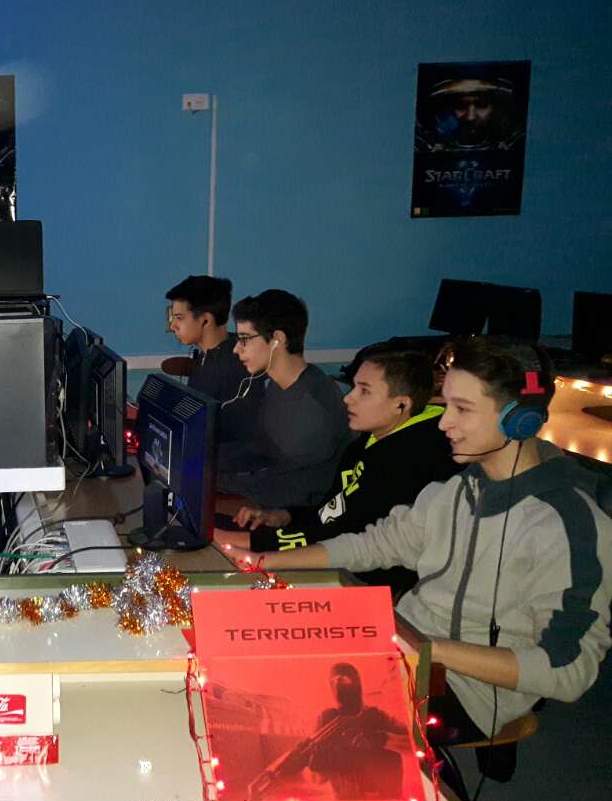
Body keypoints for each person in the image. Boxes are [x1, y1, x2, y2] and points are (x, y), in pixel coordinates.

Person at [243, 338, 612, 748]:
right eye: (446, 404)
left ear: (519, 420)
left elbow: (568, 670)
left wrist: (425, 647)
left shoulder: (568, 525)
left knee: (285, 716)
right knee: (256, 667)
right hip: (404, 650)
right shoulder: (456, 490)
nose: (443, 423)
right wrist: (264, 561)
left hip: (466, 692)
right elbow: (375, 545)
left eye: (462, 409)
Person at [216, 344, 459, 597]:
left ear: (401, 405)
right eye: (354, 387)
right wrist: (284, 516)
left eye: (364, 391)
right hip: (318, 552)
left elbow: (349, 536)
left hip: (362, 582)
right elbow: (332, 512)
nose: (348, 398)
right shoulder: (364, 443)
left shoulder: (411, 460)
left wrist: (254, 543)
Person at [216, 289, 352, 508]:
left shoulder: (312, 405)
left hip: (299, 513)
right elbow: (260, 448)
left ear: (278, 339)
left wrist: (211, 478)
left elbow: (288, 487)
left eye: (244, 339)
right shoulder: (277, 386)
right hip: (274, 496)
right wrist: (205, 458)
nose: (236, 349)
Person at [249, 662, 407, 801]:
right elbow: (305, 753)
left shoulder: (374, 716)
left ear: (356, 682)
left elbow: (411, 742)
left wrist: (380, 739)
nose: (337, 684)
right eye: (333, 681)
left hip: (383, 797)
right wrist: (272, 772)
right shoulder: (328, 719)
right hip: (346, 799)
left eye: (343, 679)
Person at [164, 275, 260, 444]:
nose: (173, 326)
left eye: (179, 318)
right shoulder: (211, 353)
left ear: (206, 320)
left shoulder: (231, 368)